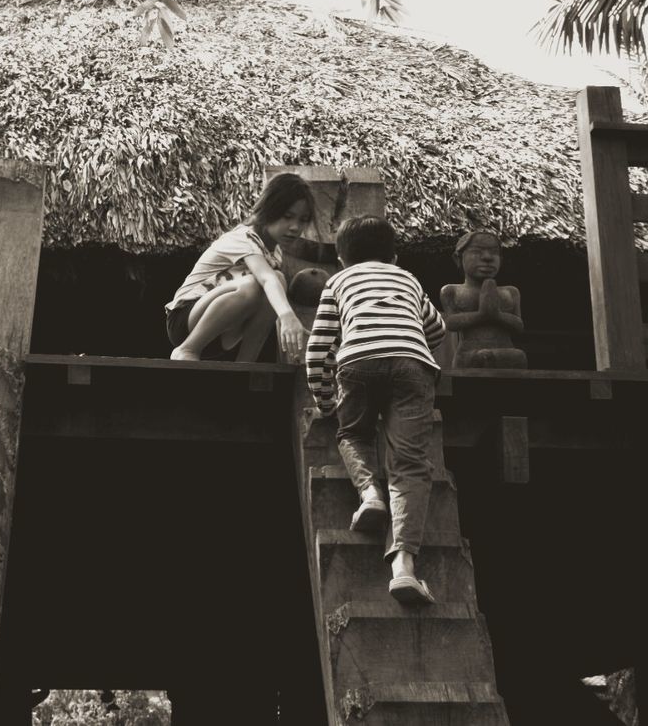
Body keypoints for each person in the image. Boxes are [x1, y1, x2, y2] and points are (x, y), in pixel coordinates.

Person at [305, 215, 446, 606]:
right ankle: (403, 569)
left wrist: (324, 400)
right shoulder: (408, 279)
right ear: (395, 255)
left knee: (353, 433)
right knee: (411, 464)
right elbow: (438, 329)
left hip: (356, 362)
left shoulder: (337, 282)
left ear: (341, 258)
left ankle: (370, 494)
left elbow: (318, 347)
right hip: (412, 366)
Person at [166, 173, 315, 362]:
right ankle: (188, 349)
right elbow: (265, 279)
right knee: (259, 283)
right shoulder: (243, 237)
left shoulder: (275, 251)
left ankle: (246, 363)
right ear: (268, 210)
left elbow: (270, 291)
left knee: (278, 280)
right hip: (186, 320)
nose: (295, 227)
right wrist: (287, 316)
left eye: (303, 220)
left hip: (222, 335)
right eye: (287, 216)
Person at [440, 229, 527, 369]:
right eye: (477, 251)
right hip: (469, 352)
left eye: (494, 252)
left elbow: (518, 325)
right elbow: (451, 323)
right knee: (483, 357)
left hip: (506, 351)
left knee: (519, 356)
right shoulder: (451, 291)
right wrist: (482, 315)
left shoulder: (511, 292)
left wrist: (497, 315)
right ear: (458, 259)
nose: (487, 257)